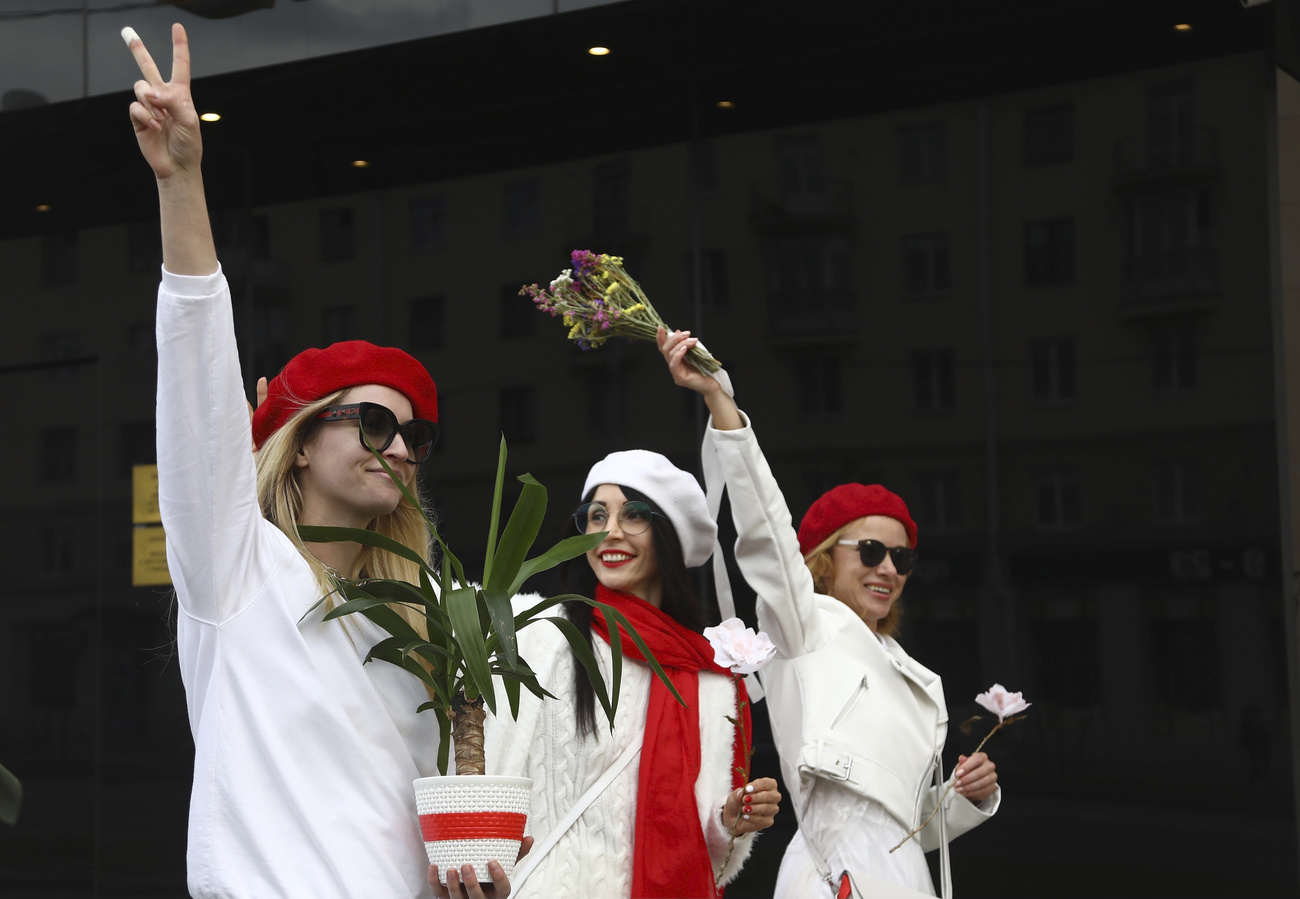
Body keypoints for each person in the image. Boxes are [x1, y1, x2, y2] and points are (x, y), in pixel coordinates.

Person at [124, 24, 519, 899]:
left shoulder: (428, 626)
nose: (401, 448)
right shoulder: (236, 571)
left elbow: (433, 835)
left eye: (417, 436)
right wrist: (183, 181)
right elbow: (196, 399)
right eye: (374, 421)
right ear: (300, 443)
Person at [657, 328, 1000, 899]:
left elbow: (912, 829)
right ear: (820, 562)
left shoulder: (912, 674)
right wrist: (723, 405)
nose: (887, 567)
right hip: (833, 874)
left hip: (907, 879)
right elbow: (766, 535)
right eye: (868, 550)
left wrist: (967, 797)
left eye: (901, 555)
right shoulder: (806, 626)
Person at [484, 449, 782, 898]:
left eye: (634, 515)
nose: (611, 532)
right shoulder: (532, 631)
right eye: (596, 515)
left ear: (669, 535)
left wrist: (731, 820)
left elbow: (707, 852)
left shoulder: (714, 680)